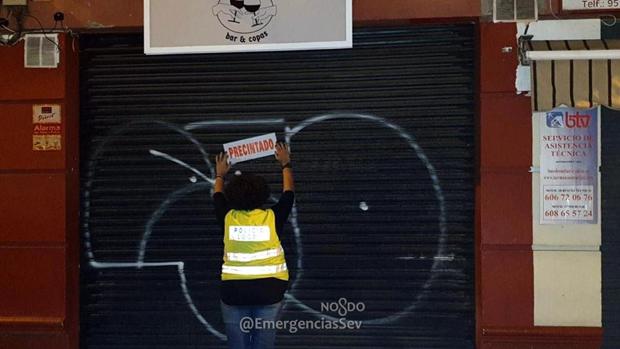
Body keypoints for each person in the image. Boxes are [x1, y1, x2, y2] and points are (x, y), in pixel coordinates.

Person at [213, 142, 294, 349]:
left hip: (234, 292)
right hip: (270, 291)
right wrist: (285, 164)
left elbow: (218, 195)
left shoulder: (228, 218)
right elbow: (288, 195)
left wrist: (220, 175)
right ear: (263, 195)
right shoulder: (272, 217)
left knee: (237, 345)